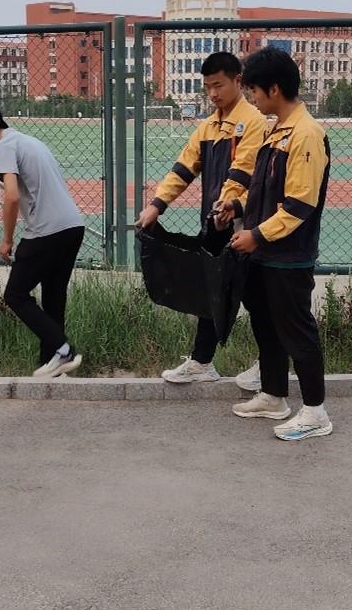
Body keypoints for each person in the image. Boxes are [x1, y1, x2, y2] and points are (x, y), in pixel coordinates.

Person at [215, 47, 333, 441]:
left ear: (275, 89)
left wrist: (256, 235)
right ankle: (273, 396)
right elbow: (265, 190)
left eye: (253, 90)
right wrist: (236, 206)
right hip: (264, 252)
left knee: (297, 332)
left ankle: (315, 413)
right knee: (266, 326)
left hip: (288, 255)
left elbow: (299, 205)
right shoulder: (277, 129)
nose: (250, 98)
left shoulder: (306, 135)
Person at [136, 51, 265, 384]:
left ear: (238, 81)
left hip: (244, 225)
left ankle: (270, 364)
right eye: (207, 87)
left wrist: (226, 206)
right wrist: (157, 205)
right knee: (213, 292)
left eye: (218, 85)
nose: (212, 93)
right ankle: (201, 363)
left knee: (255, 296)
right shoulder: (208, 126)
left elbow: (242, 172)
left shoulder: (253, 121)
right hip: (217, 223)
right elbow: (184, 168)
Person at [0, 108, 85, 378]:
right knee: (53, 297)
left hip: (46, 231)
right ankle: (54, 363)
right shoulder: (31, 141)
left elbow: (11, 196)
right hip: (72, 226)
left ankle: (64, 351)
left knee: (15, 295)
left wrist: (7, 239)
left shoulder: (4, 147)